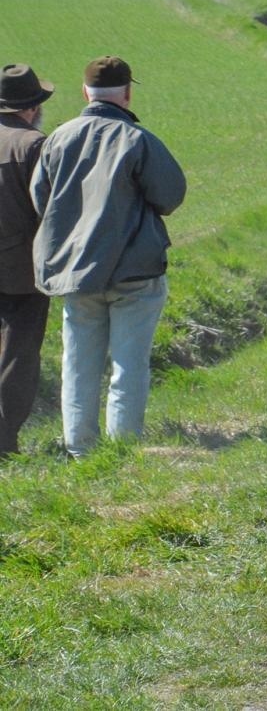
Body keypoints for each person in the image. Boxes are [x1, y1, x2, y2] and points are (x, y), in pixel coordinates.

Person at [31, 56, 187, 458]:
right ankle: (121, 451)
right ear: (128, 93)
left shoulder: (58, 139)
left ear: (85, 92)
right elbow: (170, 197)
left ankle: (80, 450)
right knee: (128, 365)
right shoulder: (138, 140)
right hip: (134, 273)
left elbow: (39, 200)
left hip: (76, 273)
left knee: (78, 365)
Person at [0, 64, 54, 457]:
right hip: (23, 267)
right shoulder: (35, 145)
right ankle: (4, 440)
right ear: (32, 107)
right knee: (18, 352)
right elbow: (52, 209)